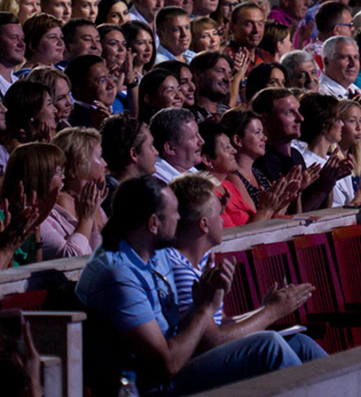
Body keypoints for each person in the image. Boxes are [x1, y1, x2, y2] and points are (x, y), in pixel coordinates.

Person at [75, 176, 307, 396]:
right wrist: (204, 307)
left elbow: (185, 330)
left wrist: (205, 303)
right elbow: (168, 364)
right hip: (150, 386)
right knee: (267, 347)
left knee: (300, 344)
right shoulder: (119, 276)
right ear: (153, 223)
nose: (180, 219)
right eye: (173, 214)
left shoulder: (156, 259)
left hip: (180, 365)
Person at [166, 173, 327, 363]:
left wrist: (262, 310)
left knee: (300, 342)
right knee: (269, 344)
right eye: (219, 214)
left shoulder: (201, 262)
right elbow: (210, 341)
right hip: (193, 365)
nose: (223, 221)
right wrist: (273, 311)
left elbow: (220, 323)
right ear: (204, 224)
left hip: (211, 352)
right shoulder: (180, 270)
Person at [41, 127, 107, 260]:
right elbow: (73, 258)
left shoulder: (94, 205)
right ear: (81, 161)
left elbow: (101, 258)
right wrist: (87, 218)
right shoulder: (51, 209)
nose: (105, 164)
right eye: (100, 156)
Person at [150, 108, 203, 182]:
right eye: (193, 137)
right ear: (170, 148)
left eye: (198, 134)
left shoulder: (191, 171)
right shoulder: (158, 181)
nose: (202, 141)